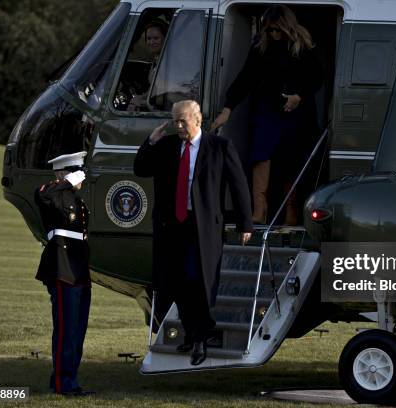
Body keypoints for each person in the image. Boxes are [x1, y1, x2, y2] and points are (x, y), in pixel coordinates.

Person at [134, 100, 252, 365]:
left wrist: (246, 223)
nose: (178, 126)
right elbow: (140, 168)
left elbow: (238, 184)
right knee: (175, 282)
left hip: (203, 227)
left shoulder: (219, 148)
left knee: (198, 281)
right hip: (173, 226)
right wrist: (151, 141)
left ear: (197, 120)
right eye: (175, 120)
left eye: (182, 121)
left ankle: (200, 338)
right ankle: (191, 332)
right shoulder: (167, 146)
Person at [210, 5, 323, 225]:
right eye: (269, 30)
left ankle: (291, 213)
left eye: (277, 31)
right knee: (260, 154)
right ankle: (259, 211)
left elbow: (317, 76)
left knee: (292, 160)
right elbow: (246, 78)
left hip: (296, 112)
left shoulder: (301, 46)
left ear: (287, 28)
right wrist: (227, 109)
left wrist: (299, 95)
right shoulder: (261, 46)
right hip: (268, 109)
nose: (273, 35)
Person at [34, 151, 93, 396]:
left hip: (78, 269)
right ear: (65, 174)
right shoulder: (54, 195)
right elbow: (43, 195)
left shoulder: (77, 202)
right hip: (62, 269)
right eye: (77, 172)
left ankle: (70, 379)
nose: (82, 178)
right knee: (65, 330)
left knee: (77, 330)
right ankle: (63, 383)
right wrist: (65, 181)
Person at [127, 20, 167, 112]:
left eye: (156, 38)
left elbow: (161, 99)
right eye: (149, 38)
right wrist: (138, 98)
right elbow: (153, 91)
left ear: (165, 38)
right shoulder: (157, 60)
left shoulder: (168, 63)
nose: (151, 42)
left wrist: (140, 103)